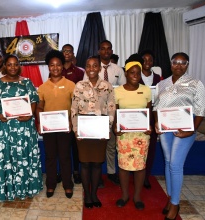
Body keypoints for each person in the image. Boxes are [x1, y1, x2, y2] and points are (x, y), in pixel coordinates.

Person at [153, 52, 205, 220]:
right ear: (170, 64)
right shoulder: (162, 84)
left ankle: (176, 204)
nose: (179, 65)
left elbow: (201, 109)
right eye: (175, 62)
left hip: (186, 127)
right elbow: (157, 106)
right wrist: (157, 122)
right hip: (166, 128)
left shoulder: (195, 83)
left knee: (176, 164)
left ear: (187, 65)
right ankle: (170, 199)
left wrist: (192, 130)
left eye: (183, 62)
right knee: (169, 162)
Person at [0, 54, 43, 201]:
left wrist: (30, 114)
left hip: (24, 127)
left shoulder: (27, 82)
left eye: (15, 64)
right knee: (6, 156)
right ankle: (7, 190)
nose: (12, 67)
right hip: (4, 127)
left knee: (24, 155)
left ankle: (27, 188)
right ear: (5, 65)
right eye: (9, 64)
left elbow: (34, 101)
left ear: (19, 66)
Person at [71, 56, 115, 208]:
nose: (91, 69)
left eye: (95, 65)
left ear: (99, 68)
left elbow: (111, 109)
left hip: (100, 131)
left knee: (96, 164)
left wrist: (107, 129)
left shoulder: (107, 86)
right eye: (88, 66)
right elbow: (74, 109)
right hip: (83, 131)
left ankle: (94, 194)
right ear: (85, 67)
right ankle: (87, 195)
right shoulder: (79, 85)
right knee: (84, 164)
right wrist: (76, 130)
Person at [114, 54, 151, 210]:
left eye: (138, 73)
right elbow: (115, 113)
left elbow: (149, 111)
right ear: (126, 73)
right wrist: (115, 127)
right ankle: (124, 195)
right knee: (123, 165)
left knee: (140, 166)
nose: (135, 76)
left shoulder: (147, 90)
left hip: (141, 135)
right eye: (132, 73)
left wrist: (149, 126)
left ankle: (137, 196)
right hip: (124, 135)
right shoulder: (118, 92)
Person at [85, 40, 126, 186]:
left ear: (112, 50)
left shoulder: (118, 70)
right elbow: (85, 90)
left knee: (110, 145)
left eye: (109, 49)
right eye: (103, 49)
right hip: (93, 115)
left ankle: (110, 172)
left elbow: (122, 91)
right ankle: (97, 175)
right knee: (96, 146)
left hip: (111, 112)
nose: (106, 51)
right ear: (99, 51)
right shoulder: (92, 68)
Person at [36, 50, 74, 198]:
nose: (55, 68)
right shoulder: (43, 87)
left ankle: (67, 185)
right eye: (52, 65)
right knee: (50, 157)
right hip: (48, 128)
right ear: (48, 67)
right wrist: (39, 122)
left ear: (62, 66)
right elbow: (39, 107)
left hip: (65, 128)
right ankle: (50, 184)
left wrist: (71, 122)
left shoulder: (71, 85)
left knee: (65, 156)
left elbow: (75, 107)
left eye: (58, 64)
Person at [61, 44, 85, 184]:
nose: (67, 53)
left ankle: (76, 171)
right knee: (63, 146)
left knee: (76, 146)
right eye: (64, 51)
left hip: (77, 113)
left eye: (69, 51)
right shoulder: (56, 70)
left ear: (73, 53)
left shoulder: (80, 71)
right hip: (61, 114)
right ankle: (62, 172)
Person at [139, 49, 161, 189]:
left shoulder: (159, 78)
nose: (147, 62)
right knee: (138, 146)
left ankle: (146, 176)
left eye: (150, 60)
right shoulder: (134, 75)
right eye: (144, 60)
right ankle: (135, 174)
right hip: (137, 115)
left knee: (151, 147)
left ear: (153, 62)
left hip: (153, 116)